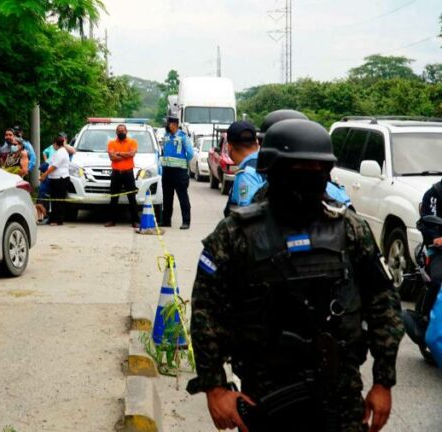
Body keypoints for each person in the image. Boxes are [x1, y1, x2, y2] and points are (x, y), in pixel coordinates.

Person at [188, 119, 403, 432]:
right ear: (273, 170)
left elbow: (384, 304)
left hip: (340, 395)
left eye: (318, 169)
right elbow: (206, 311)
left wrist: (383, 382)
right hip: (265, 393)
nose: (309, 176)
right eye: (298, 169)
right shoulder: (236, 234)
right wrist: (215, 387)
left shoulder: (350, 230)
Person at [252, 109, 352, 208]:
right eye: (302, 164)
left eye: (319, 165)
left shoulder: (339, 210)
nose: (313, 170)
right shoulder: (259, 197)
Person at [404, 179, 442, 344]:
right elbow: (428, 223)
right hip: (438, 251)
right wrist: (437, 238)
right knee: (438, 280)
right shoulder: (434, 194)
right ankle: (424, 319)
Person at [223, 121, 264, 217]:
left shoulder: (246, 175)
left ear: (229, 147)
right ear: (257, 143)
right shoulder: (267, 164)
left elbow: (248, 213)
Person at [161, 116, 194, 229]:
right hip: (167, 171)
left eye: (168, 123)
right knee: (167, 197)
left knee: (182, 197)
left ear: (174, 125)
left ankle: (186, 221)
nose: (167, 126)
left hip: (179, 172)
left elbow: (190, 153)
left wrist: (182, 162)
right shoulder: (166, 136)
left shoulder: (183, 137)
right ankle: (166, 221)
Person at [105, 124, 139, 228]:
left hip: (128, 173)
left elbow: (132, 154)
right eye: (119, 131)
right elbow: (112, 157)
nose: (121, 133)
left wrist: (118, 153)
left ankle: (135, 221)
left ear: (126, 131)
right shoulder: (111, 143)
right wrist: (125, 155)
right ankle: (112, 220)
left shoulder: (132, 142)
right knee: (114, 197)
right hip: (116, 173)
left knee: (132, 197)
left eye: (122, 131)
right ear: (116, 132)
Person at [40, 136, 71, 225]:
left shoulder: (61, 152)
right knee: (54, 200)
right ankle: (53, 218)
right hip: (55, 179)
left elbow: (54, 166)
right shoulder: (59, 152)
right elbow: (50, 163)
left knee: (58, 200)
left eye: (53, 144)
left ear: (55, 144)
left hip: (60, 179)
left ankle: (58, 220)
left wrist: (44, 175)